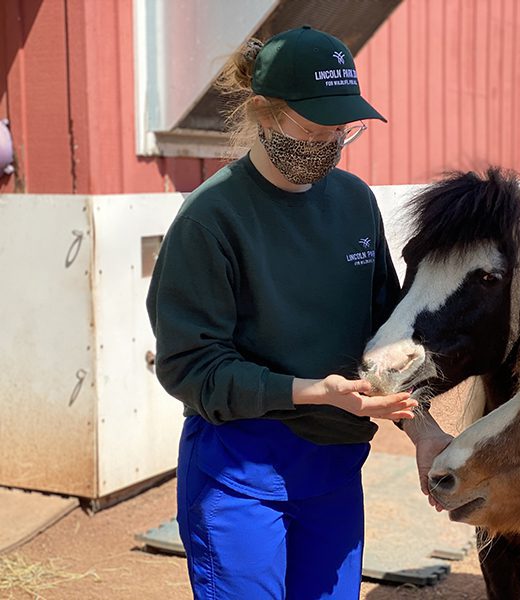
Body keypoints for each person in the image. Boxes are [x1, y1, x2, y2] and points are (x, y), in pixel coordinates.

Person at [146, 26, 417, 599]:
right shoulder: (211, 219)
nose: (328, 143)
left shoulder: (353, 201)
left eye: (340, 130)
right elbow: (190, 368)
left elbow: (388, 338)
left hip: (335, 464)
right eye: (312, 128)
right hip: (240, 473)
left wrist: (428, 433)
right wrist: (314, 390)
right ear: (265, 114)